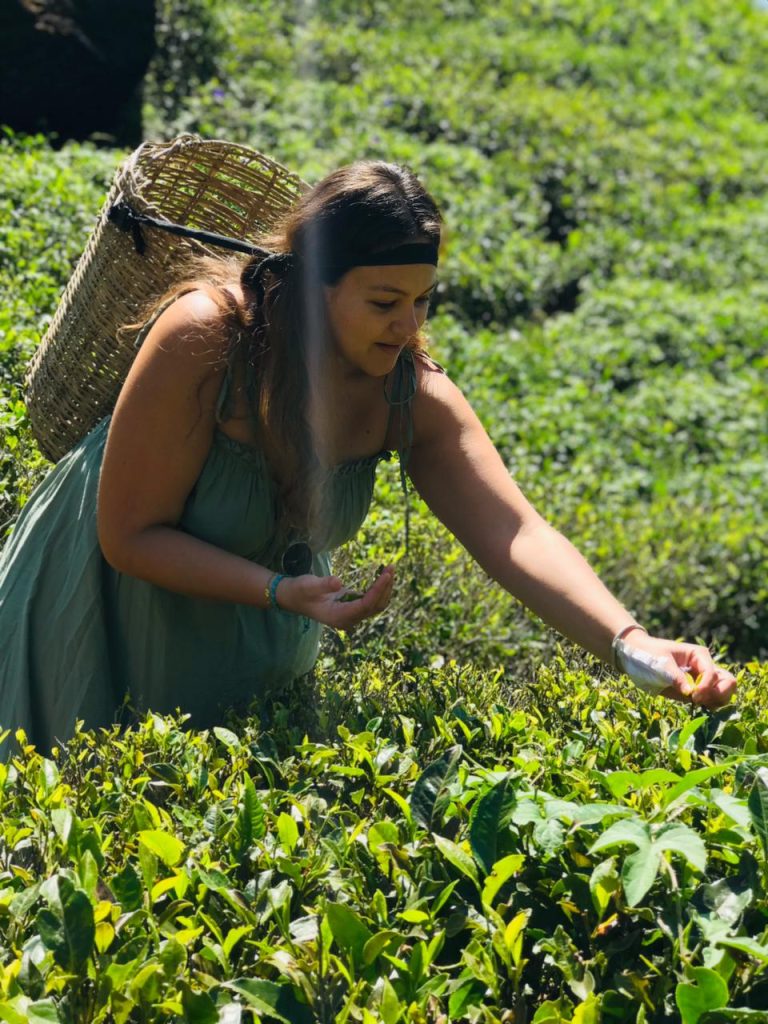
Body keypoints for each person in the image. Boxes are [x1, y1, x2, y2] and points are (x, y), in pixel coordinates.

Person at [0, 160, 736, 753]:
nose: (408, 325)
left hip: (251, 633)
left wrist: (631, 643)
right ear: (315, 285)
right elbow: (130, 535)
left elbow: (516, 535)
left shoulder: (408, 394)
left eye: (423, 301)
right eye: (385, 302)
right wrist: (278, 592)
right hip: (94, 611)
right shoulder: (205, 338)